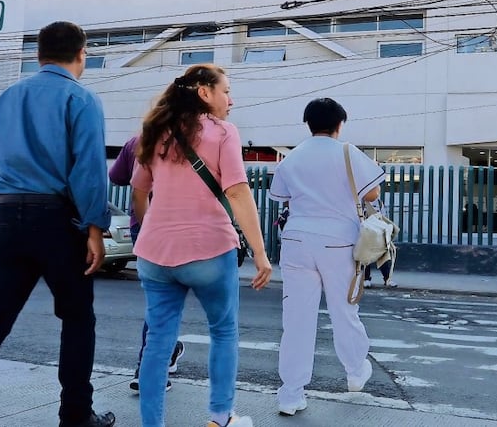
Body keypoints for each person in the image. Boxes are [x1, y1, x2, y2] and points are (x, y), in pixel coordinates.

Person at [0, 21, 114, 427]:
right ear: (82, 54)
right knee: (77, 318)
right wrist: (95, 229)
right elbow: (89, 173)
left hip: (7, 216)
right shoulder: (81, 99)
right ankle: (76, 417)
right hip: (59, 221)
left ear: (38, 55)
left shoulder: (6, 98)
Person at [129, 64, 272, 427]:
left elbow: (139, 190)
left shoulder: (153, 131)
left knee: (158, 342)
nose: (231, 100)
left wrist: (151, 229)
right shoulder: (223, 132)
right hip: (209, 249)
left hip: (154, 254)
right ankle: (220, 418)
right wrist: (259, 251)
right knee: (223, 331)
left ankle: (151, 424)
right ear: (204, 93)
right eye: (226, 91)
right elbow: (237, 191)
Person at [270, 97, 385, 417]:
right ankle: (355, 371)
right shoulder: (348, 152)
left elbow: (281, 196)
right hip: (338, 241)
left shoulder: (291, 159)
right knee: (344, 310)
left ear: (308, 124)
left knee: (295, 319)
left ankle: (291, 394)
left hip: (296, 239)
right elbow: (372, 193)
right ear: (339, 124)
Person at [107, 135, 185, 393]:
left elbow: (116, 177)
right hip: (179, 227)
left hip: (142, 225)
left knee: (162, 299)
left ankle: (168, 349)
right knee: (165, 301)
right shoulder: (191, 138)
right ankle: (149, 369)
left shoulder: (136, 141)